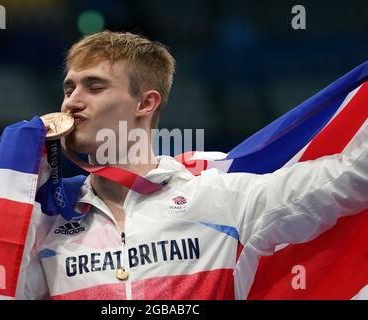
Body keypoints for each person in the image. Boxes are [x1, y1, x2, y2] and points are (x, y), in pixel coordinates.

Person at [21, 31, 367, 300]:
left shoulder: (220, 199)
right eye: (69, 87)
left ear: (145, 103)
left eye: (94, 86)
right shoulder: (49, 219)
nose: (72, 101)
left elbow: (350, 176)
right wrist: (19, 187)